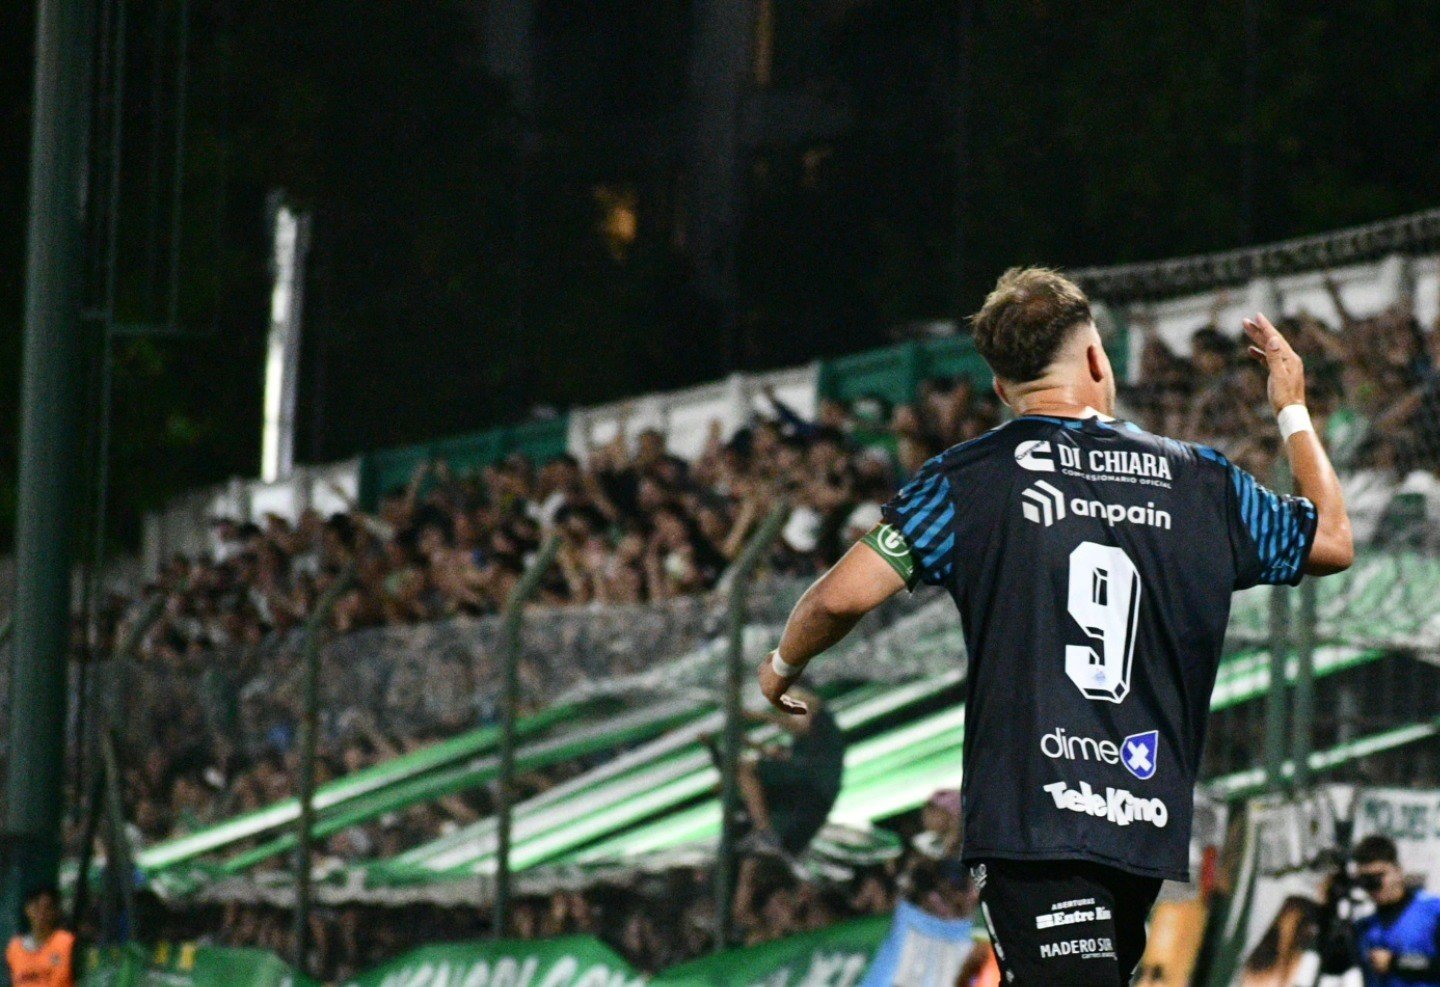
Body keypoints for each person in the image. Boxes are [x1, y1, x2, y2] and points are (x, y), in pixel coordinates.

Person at [756, 267, 1353, 986]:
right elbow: (1332, 540)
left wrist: (782, 665)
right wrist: (1291, 409)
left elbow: (837, 599)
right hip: (1142, 818)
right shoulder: (1203, 481)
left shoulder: (968, 479)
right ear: (1098, 359)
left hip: (1034, 822)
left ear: (1004, 389)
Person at [1350, 835, 1440, 986]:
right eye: (1366, 880)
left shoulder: (1432, 911)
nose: (1374, 885)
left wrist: (1397, 962)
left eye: (1379, 876)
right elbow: (1334, 965)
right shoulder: (1363, 925)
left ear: (1398, 871)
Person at [6, 887, 75, 987]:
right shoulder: (14, 949)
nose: (42, 913)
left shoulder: (67, 943)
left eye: (47, 907)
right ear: (27, 909)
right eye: (37, 906)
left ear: (55, 912)